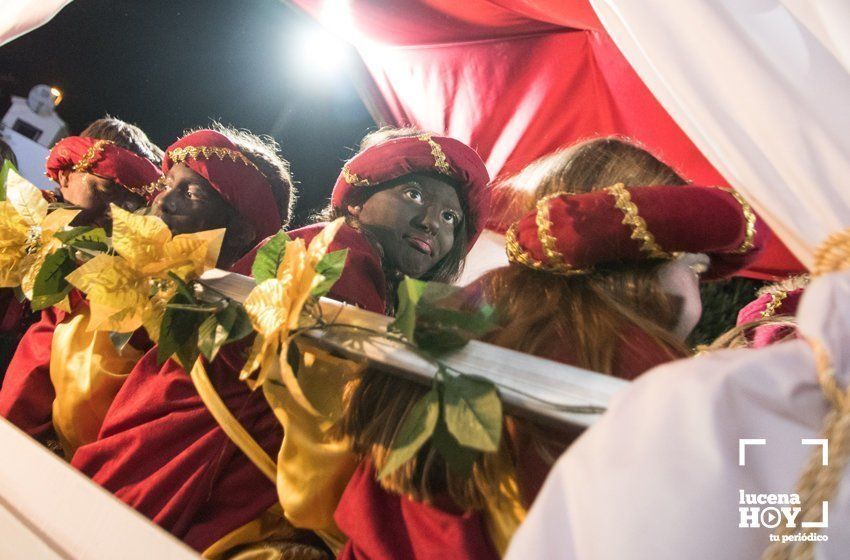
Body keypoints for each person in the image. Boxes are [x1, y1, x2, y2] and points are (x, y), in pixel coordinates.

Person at [333, 137, 766, 559]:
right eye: (694, 267)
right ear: (648, 252)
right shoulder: (640, 361)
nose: (699, 291)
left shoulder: (465, 304)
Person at [70, 129, 491, 557]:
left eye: (450, 219)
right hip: (200, 470)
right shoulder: (340, 253)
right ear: (358, 200)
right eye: (415, 196)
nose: (430, 223)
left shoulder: (364, 265)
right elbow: (333, 414)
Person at [0, 126, 293, 458]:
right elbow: (24, 391)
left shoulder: (215, 341)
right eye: (169, 186)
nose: (165, 201)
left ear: (241, 232)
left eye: (192, 194)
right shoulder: (99, 273)